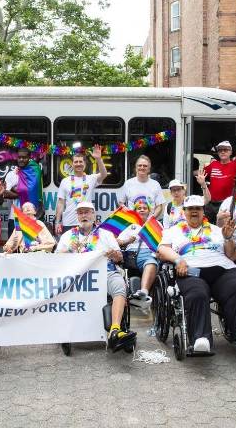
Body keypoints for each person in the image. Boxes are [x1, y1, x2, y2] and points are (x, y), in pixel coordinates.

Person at [157, 195, 236, 356]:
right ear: (184, 211)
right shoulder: (173, 231)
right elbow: (162, 250)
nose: (194, 212)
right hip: (192, 270)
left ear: (203, 211)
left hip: (222, 268)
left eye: (198, 208)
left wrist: (228, 238)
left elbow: (233, 255)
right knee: (198, 294)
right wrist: (178, 259)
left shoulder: (217, 230)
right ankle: (201, 338)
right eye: (190, 209)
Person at [55, 201, 137, 351]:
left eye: (87, 212)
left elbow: (119, 258)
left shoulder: (105, 234)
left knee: (119, 285)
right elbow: (56, 258)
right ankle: (67, 330)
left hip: (105, 272)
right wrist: (68, 251)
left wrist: (114, 254)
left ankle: (115, 330)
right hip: (78, 277)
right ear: (77, 216)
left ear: (93, 215)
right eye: (80, 213)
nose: (84, 215)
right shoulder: (68, 236)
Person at [55, 145, 108, 235]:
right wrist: (57, 222)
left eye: (81, 161)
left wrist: (98, 159)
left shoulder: (91, 178)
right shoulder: (65, 181)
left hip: (86, 222)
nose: (78, 164)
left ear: (84, 164)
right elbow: (61, 202)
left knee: (87, 248)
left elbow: (104, 174)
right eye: (76, 162)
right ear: (72, 164)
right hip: (69, 222)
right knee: (70, 248)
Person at [116, 199, 159, 309]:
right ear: (135, 211)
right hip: (131, 255)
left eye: (145, 208)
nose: (142, 210)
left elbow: (163, 241)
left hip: (148, 254)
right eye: (139, 208)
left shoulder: (155, 224)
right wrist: (127, 241)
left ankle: (143, 292)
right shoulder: (130, 225)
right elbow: (118, 242)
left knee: (151, 263)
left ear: (149, 211)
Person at [3, 148, 45, 234]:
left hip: (31, 217)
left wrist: (17, 191)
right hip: (15, 217)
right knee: (13, 246)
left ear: (29, 158)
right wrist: (23, 194)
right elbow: (5, 193)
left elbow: (35, 191)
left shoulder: (35, 171)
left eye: (24, 157)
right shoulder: (12, 174)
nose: (21, 159)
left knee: (31, 245)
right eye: (19, 157)